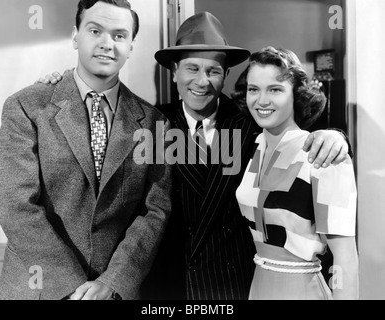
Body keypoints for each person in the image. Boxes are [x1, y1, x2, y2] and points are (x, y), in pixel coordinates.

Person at [39, 12, 351, 300]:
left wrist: (334, 136)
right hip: (168, 286)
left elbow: (292, 135)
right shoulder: (148, 124)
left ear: (225, 75)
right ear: (174, 72)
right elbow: (94, 156)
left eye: (213, 71)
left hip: (235, 286)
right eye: (192, 68)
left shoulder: (251, 124)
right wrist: (63, 87)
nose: (202, 82)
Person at [0, 0, 172, 300]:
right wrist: (73, 287)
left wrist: (113, 281)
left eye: (119, 35)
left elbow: (154, 209)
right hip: (38, 289)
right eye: (95, 31)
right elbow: (17, 206)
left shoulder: (154, 122)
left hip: (113, 292)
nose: (107, 44)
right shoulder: (27, 107)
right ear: (76, 36)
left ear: (130, 46)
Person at [233, 46, 358, 300]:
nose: (262, 100)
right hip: (257, 288)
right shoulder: (251, 147)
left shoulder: (323, 155)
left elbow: (346, 258)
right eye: (253, 89)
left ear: (296, 95)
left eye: (275, 89)